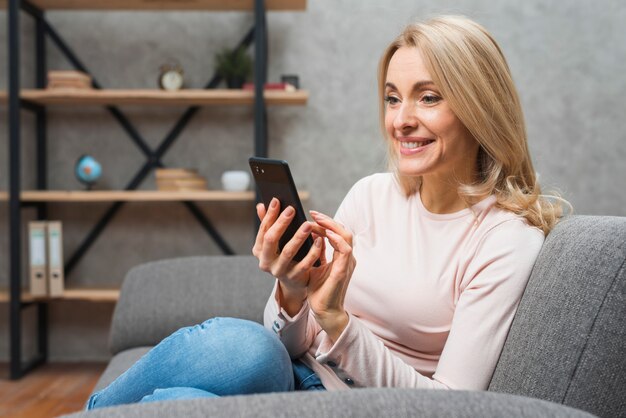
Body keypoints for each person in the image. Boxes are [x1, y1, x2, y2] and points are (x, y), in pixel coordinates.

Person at [86, 15, 565, 409]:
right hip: (292, 376)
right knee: (250, 349)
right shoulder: (372, 195)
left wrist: (337, 321)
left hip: (355, 405)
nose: (401, 120)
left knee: (183, 402)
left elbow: (451, 404)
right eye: (393, 98)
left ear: (481, 107)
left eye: (429, 96)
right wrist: (293, 293)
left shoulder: (505, 238)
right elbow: (291, 344)